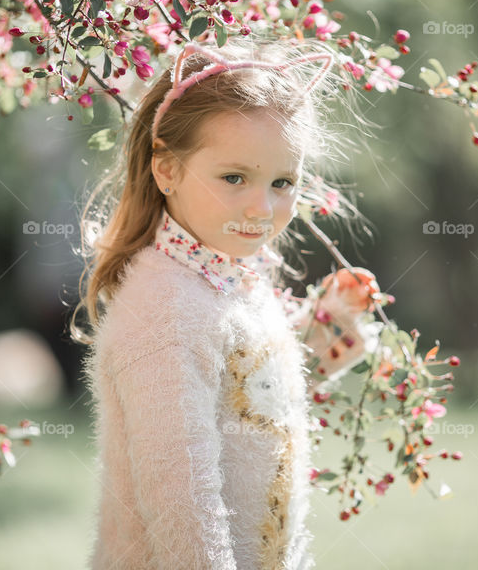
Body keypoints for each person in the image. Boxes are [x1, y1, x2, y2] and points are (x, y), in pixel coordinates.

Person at [72, 39, 382, 569]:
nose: (262, 206)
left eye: (282, 182)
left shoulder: (223, 279)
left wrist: (325, 325)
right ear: (166, 170)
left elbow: (247, 397)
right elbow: (183, 510)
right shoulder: (164, 312)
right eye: (233, 178)